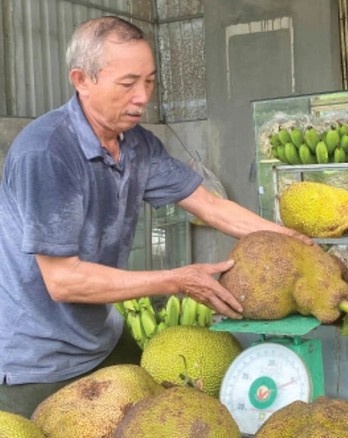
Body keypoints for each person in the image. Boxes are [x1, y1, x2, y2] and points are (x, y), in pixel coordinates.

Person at [0, 15, 312, 418]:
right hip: (37, 359)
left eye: (149, 81)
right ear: (81, 80)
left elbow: (212, 206)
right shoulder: (47, 153)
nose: (142, 97)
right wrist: (176, 279)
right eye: (128, 83)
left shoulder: (137, 146)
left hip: (102, 340)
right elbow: (63, 280)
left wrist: (296, 243)